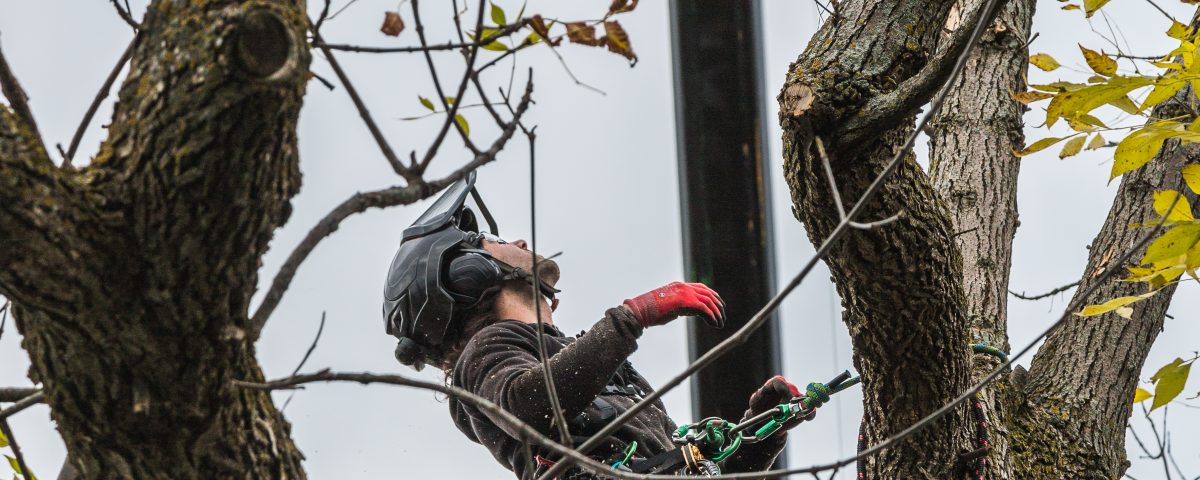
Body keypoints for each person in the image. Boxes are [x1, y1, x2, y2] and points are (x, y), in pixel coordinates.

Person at [383, 173, 808, 478]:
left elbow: (693, 467)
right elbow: (531, 406)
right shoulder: (484, 354)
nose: (520, 243)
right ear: (467, 273)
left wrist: (761, 432)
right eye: (495, 243)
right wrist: (634, 315)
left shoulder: (593, 365)